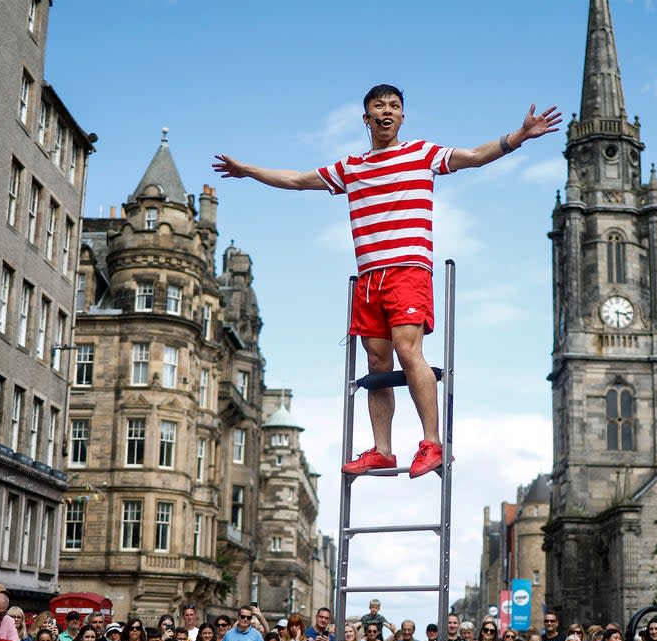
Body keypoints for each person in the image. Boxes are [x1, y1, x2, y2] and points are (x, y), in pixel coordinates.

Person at [213, 84, 561, 479]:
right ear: (367, 118)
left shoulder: (421, 154)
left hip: (407, 270)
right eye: (379, 106)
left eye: (395, 106)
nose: (387, 111)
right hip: (369, 279)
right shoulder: (352, 168)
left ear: (402, 116)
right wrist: (248, 171)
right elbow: (296, 180)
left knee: (407, 349)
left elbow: (476, 156)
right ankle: (382, 450)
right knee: (377, 362)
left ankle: (431, 442)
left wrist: (519, 136)